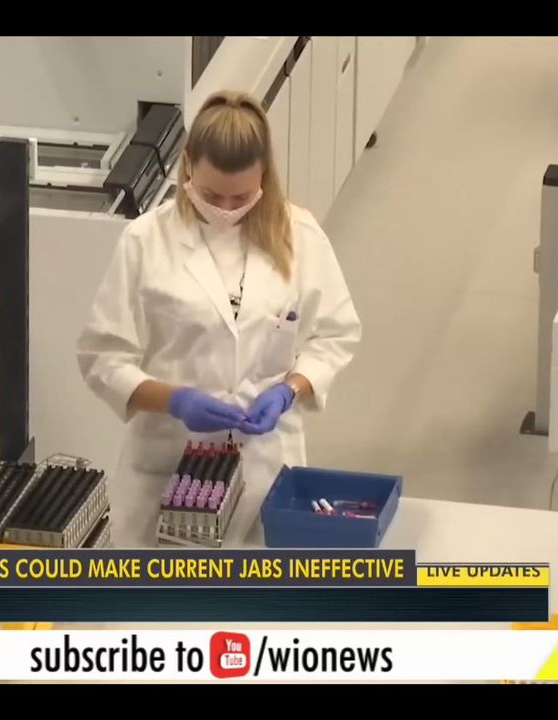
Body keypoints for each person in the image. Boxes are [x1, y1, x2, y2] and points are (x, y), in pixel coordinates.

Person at [77, 90, 362, 546]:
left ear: (264, 174)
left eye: (241, 197)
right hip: (166, 470)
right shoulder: (145, 241)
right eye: (212, 195)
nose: (226, 209)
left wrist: (290, 390)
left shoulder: (301, 236)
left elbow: (335, 335)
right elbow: (102, 357)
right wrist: (174, 400)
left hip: (266, 468)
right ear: (188, 165)